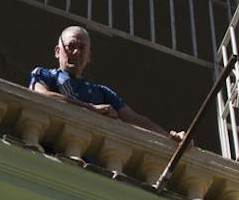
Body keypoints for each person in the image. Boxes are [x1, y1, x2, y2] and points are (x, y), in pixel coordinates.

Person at [27, 26, 184, 141]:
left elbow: (135, 119)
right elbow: (41, 95)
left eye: (82, 48)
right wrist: (91, 108)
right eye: (71, 46)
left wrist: (171, 138)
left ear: (88, 57)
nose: (76, 52)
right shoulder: (44, 74)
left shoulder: (101, 92)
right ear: (57, 51)